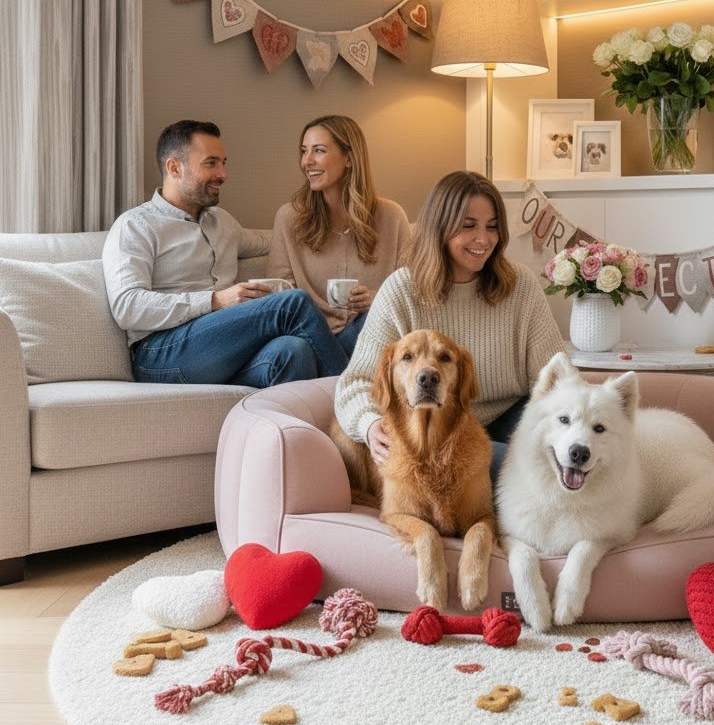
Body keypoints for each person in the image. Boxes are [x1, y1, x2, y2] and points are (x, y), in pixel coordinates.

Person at [334, 170, 566, 482]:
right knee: (525, 474)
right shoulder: (401, 290)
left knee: (560, 461)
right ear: (440, 228)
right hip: (434, 430)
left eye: (492, 227)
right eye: (468, 226)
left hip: (510, 417)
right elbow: (355, 383)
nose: (483, 239)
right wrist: (369, 424)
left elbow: (555, 378)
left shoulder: (521, 285)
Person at [103, 119, 345, 387]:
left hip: (223, 351)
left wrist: (335, 228)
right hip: (161, 353)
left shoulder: (223, 223)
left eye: (223, 162)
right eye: (211, 163)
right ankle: (359, 407)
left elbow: (271, 240)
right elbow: (127, 307)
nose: (223, 173)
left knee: (292, 351)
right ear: (174, 167)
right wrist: (215, 300)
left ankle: (283, 426)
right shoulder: (135, 225)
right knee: (293, 303)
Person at [267, 116, 411, 369]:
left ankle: (333, 384)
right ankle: (344, 386)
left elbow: (410, 290)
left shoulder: (391, 216)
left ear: (350, 158)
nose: (307, 161)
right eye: (304, 151)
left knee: (373, 319)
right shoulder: (289, 217)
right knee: (294, 343)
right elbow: (280, 295)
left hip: (365, 335)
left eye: (319, 150)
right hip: (311, 338)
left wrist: (376, 298)